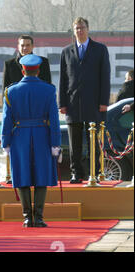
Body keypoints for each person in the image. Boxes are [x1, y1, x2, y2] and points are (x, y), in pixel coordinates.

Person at [1, 54, 61, 228]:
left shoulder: (10, 91)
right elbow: (54, 120)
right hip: (43, 136)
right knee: (41, 176)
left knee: (22, 176)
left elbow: (6, 119)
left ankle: (27, 217)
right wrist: (55, 143)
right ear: (39, 70)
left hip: (19, 137)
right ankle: (39, 217)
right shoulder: (49, 90)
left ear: (23, 70)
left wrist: (6, 141)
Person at [59, 17, 111, 184]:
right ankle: (76, 173)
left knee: (93, 143)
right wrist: (62, 103)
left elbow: (105, 77)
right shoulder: (66, 51)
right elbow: (63, 79)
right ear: (73, 31)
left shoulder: (100, 49)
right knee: (75, 144)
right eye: (77, 28)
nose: (80, 31)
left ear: (88, 29)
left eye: (82, 28)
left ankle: (93, 173)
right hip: (73, 104)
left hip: (94, 104)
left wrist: (104, 101)